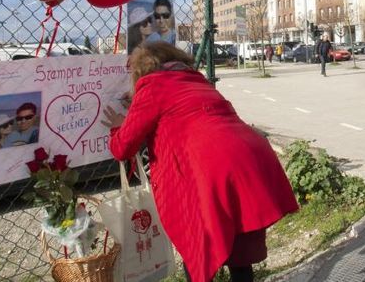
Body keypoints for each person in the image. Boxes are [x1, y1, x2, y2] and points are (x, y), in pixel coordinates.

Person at [102, 42, 299, 282]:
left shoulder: (151, 88)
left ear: (141, 71)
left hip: (211, 168)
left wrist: (117, 127)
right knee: (239, 251)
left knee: (198, 244)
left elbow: (123, 147)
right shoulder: (196, 81)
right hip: (250, 157)